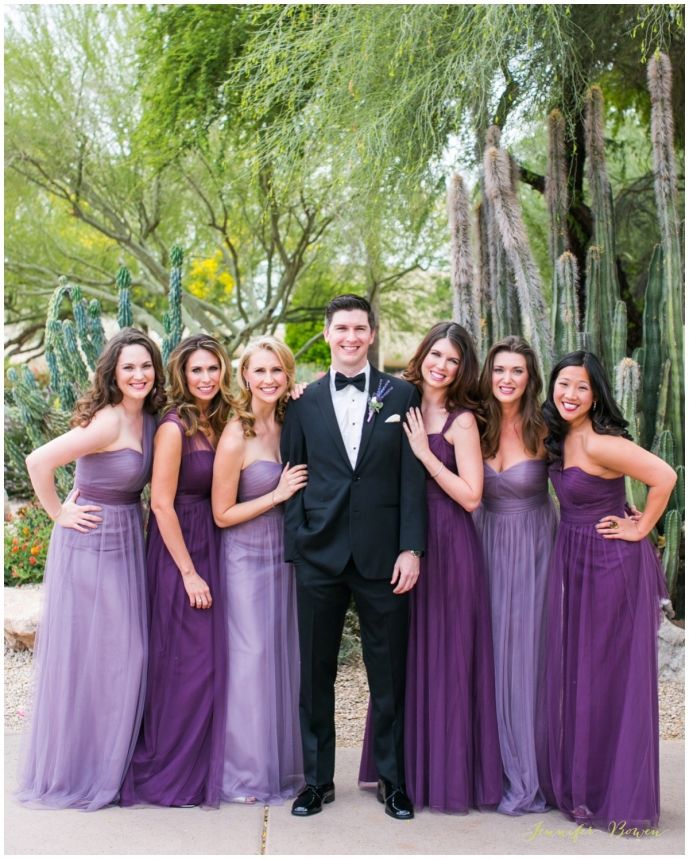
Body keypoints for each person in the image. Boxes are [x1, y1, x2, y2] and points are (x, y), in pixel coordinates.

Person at [281, 294, 426, 820]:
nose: (350, 337)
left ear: (372, 333)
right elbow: (290, 478)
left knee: (387, 674)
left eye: (359, 328)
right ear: (326, 334)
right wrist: (299, 543)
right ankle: (317, 782)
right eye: (341, 328)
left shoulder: (402, 394)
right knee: (314, 675)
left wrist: (412, 547)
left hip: (383, 558)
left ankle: (392, 782)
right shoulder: (302, 402)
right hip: (319, 557)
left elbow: (414, 478)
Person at [17, 328, 165, 810]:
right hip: (92, 541)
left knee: (119, 656)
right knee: (116, 655)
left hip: (125, 538)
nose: (139, 375)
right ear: (113, 374)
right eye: (129, 368)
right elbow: (37, 460)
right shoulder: (107, 421)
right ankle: (85, 770)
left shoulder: (146, 417)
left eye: (146, 366)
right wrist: (59, 513)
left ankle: (110, 761)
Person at [358, 320, 502, 813]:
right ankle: (397, 769)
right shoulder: (393, 399)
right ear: (422, 355)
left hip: (449, 546)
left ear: (462, 370)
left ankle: (443, 771)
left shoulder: (462, 421)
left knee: (446, 656)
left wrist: (425, 454)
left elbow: (472, 497)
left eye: (452, 360)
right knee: (399, 657)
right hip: (397, 542)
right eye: (436, 355)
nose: (441, 366)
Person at [539, 350, 676, 830]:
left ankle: (618, 794)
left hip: (610, 564)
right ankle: (588, 784)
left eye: (580, 387)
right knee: (582, 673)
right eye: (562, 384)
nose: (569, 394)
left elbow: (665, 477)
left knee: (608, 676)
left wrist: (642, 529)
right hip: (575, 562)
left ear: (595, 393)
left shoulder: (599, 443)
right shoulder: (560, 436)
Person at [121, 334, 232, 808]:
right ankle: (171, 769)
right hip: (179, 549)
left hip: (216, 541)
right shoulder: (174, 427)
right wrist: (188, 573)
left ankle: (211, 765)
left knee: (212, 662)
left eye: (213, 369)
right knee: (188, 663)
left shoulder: (221, 417)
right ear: (182, 376)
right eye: (196, 370)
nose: (205, 378)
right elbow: (161, 505)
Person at [212, 336, 306, 804]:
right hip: (244, 557)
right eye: (260, 371)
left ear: (288, 377)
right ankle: (245, 774)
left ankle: (279, 764)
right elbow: (221, 513)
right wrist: (275, 495)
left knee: (280, 656)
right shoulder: (236, 435)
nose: (268, 379)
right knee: (249, 662)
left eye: (278, 371)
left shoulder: (290, 422)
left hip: (282, 558)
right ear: (244, 376)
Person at [472, 336, 557, 815]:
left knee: (528, 655)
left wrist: (626, 513)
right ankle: (488, 766)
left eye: (517, 371)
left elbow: (584, 473)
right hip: (483, 546)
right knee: (489, 651)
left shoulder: (546, 428)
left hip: (533, 549)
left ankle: (531, 766)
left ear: (530, 378)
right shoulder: (475, 424)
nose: (506, 379)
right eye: (499, 369)